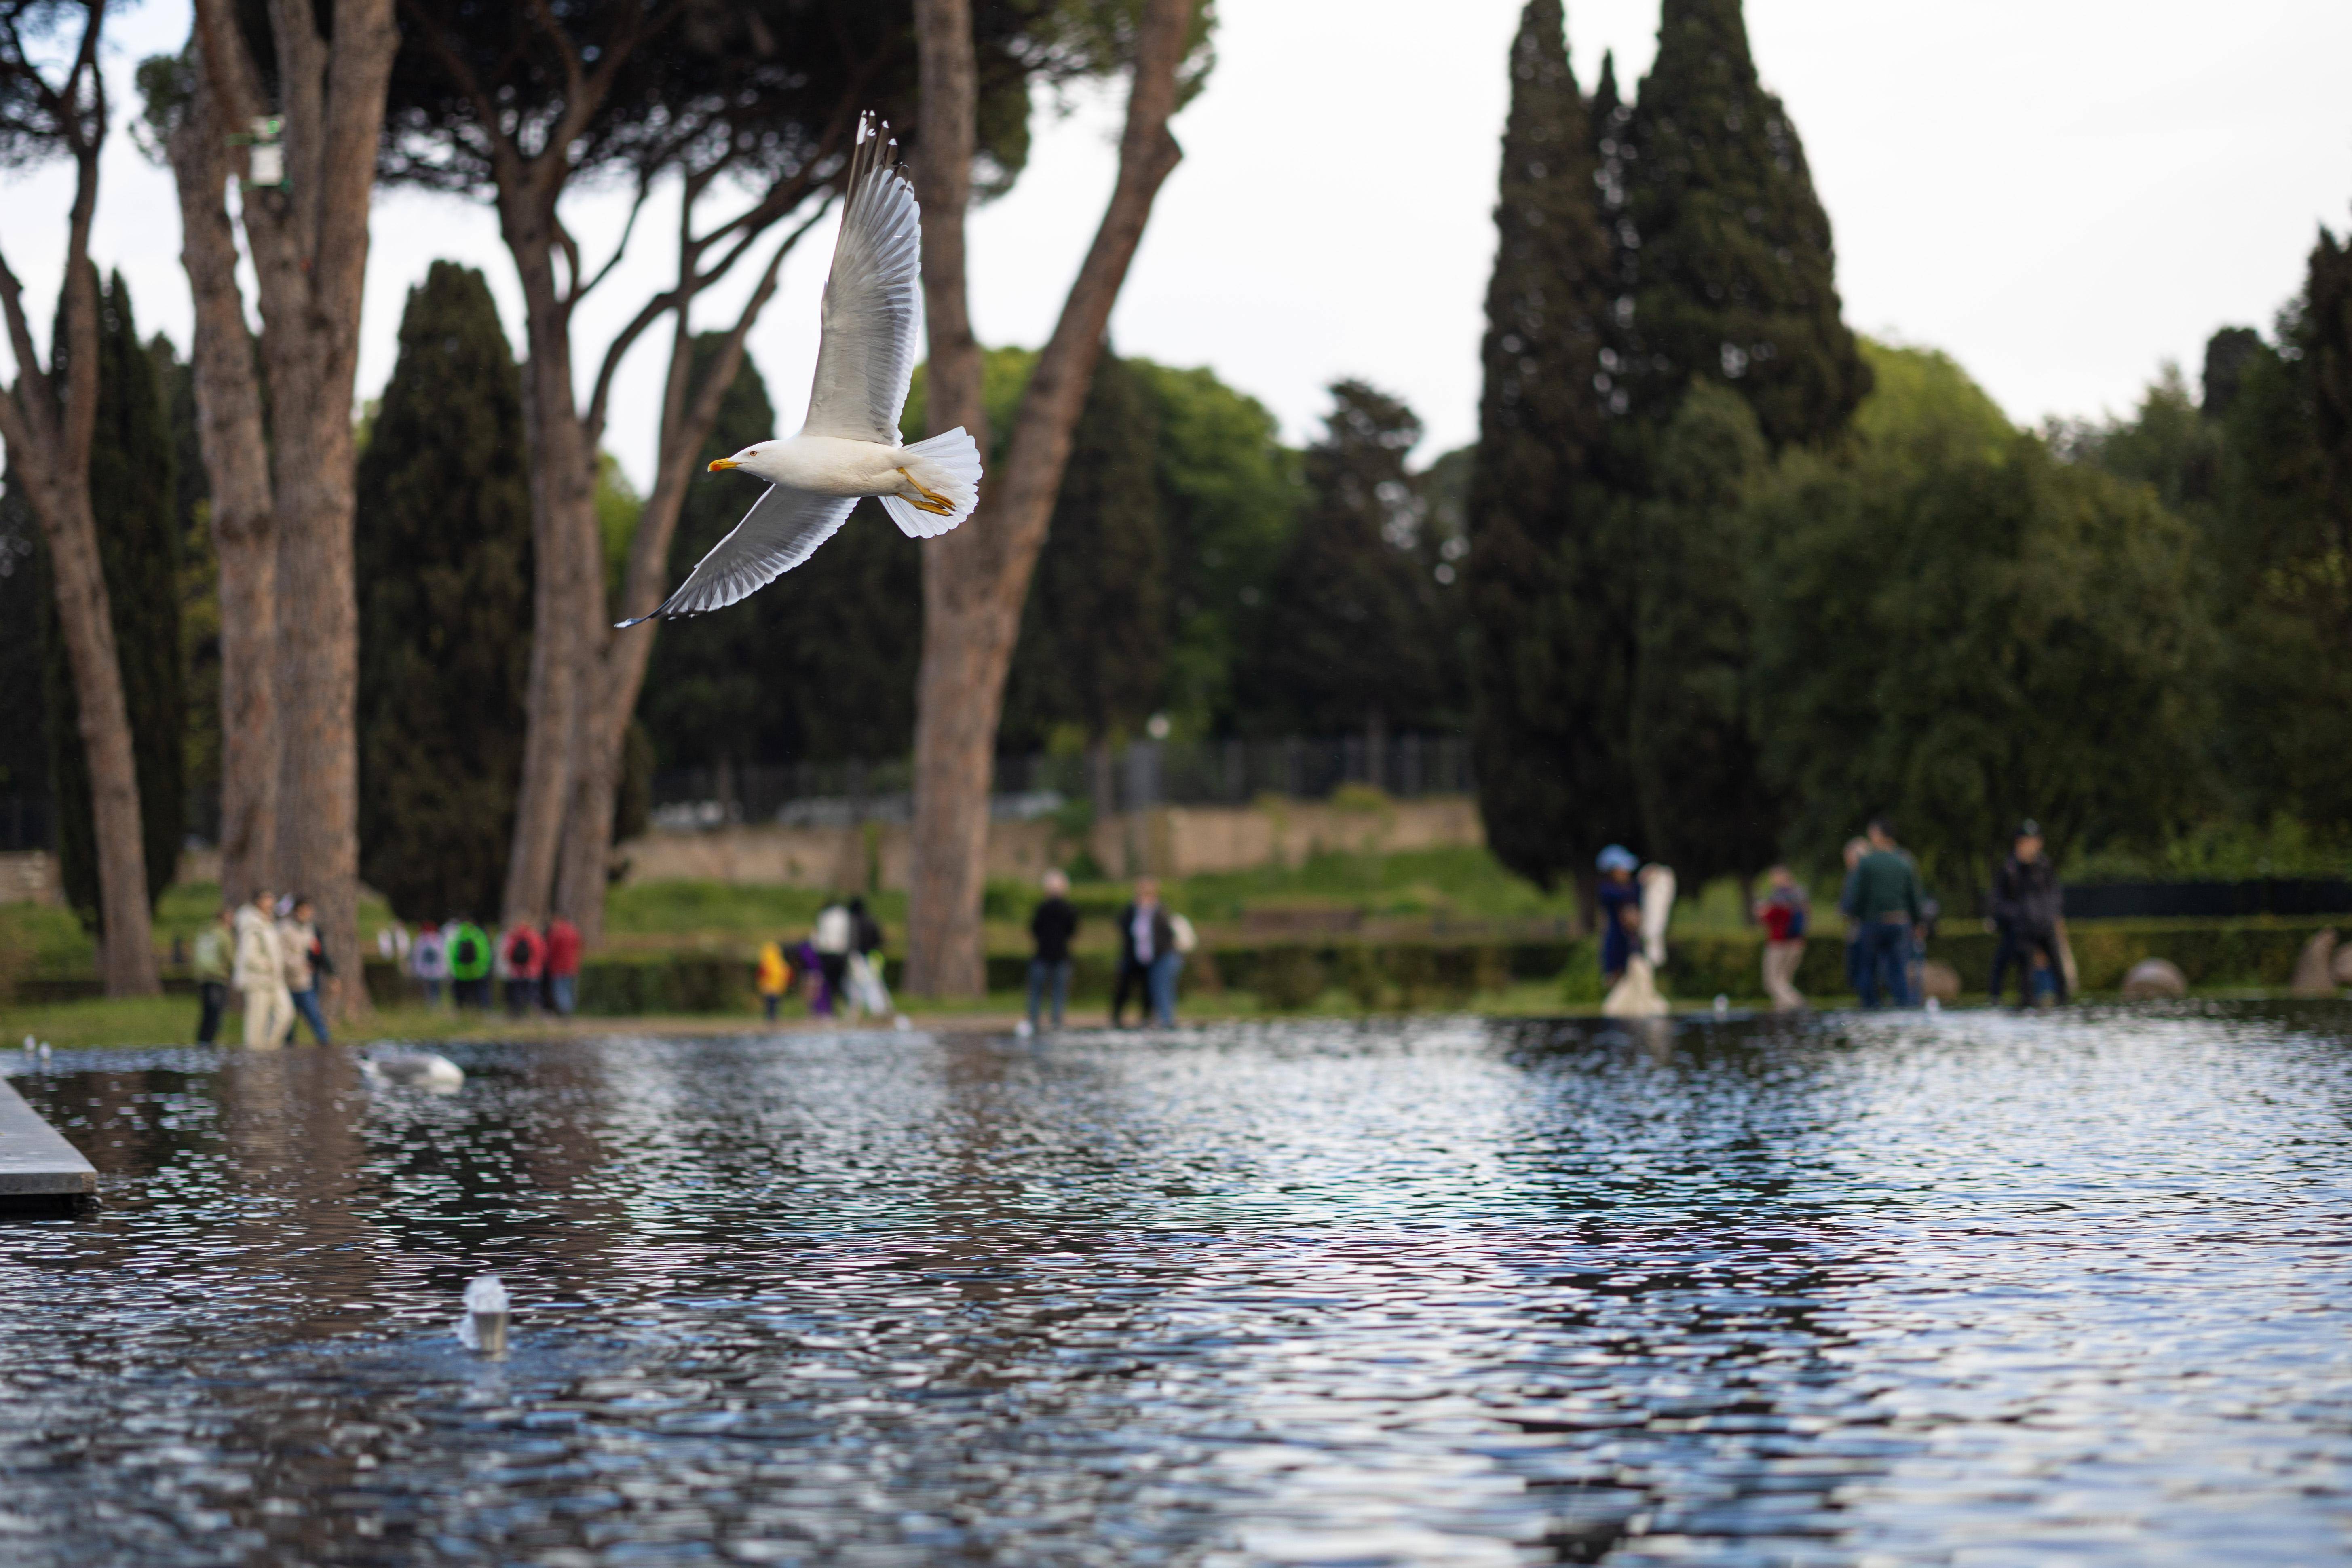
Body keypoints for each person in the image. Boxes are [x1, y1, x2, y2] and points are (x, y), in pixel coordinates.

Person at [1848, 818, 1926, 1007]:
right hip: (1900, 922)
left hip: (1873, 923)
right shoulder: (1905, 863)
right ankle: (1903, 1006)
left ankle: (1871, 1007)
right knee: (1899, 970)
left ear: (1877, 835)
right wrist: (1918, 923)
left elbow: (1857, 897)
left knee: (1868, 968)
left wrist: (1855, 916)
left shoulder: (1867, 863)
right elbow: (1914, 898)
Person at [1989, 819, 2067, 1006]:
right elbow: (1997, 902)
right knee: (2020, 975)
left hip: (2044, 927)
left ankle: (2062, 1006)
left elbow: (2055, 895)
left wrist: (2049, 916)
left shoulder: (2044, 867)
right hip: (2020, 931)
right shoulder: (2009, 869)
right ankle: (2002, 1003)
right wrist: (2017, 918)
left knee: (2059, 974)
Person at [1112, 877, 1174, 1028]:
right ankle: (1117, 1016)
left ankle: (1148, 1017)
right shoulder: (1132, 910)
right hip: (1133, 957)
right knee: (1124, 987)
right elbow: (1122, 925)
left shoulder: (1160, 911)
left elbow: (1167, 933)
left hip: (1154, 957)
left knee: (1150, 990)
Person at [234, 888, 291, 1048]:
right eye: (267, 899)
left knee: (286, 1014)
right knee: (257, 1024)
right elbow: (248, 956)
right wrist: (267, 966)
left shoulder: (269, 921)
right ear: (258, 902)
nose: (271, 903)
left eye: (272, 898)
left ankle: (270, 1049)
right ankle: (255, 1059)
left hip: (275, 979)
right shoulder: (252, 923)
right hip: (258, 981)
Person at [1027, 870, 1078, 1032]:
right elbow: (1072, 931)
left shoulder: (1042, 908)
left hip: (1043, 955)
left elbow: (1035, 929)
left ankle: (1034, 1020)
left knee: (1037, 992)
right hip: (1061, 955)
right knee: (1058, 992)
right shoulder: (1069, 909)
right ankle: (1056, 1021)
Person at [1755, 865, 1809, 1011]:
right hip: (1795, 941)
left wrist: (1763, 912)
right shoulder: (1800, 894)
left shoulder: (1780, 897)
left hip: (1780, 942)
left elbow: (1772, 918)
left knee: (1774, 982)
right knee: (1784, 981)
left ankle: (1797, 1004)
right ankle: (1783, 1010)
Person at [279, 895, 332, 1045]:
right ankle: (287, 1048)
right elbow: (282, 955)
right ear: (296, 911)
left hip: (305, 982)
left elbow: (319, 953)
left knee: (315, 1016)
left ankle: (325, 1045)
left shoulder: (311, 929)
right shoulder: (285, 929)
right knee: (287, 1020)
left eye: (309, 911)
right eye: (303, 911)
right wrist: (299, 965)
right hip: (287, 982)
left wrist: (330, 973)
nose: (307, 914)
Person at [1595, 845, 1641, 984]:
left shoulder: (1630, 889)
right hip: (1615, 944)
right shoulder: (1608, 890)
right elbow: (1626, 895)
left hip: (1630, 944)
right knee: (1616, 981)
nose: (1627, 873)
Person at [192, 906, 233, 1045]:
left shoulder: (205, 932)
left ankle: (202, 1042)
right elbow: (229, 957)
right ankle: (209, 1043)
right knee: (216, 1013)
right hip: (218, 977)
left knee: (207, 1012)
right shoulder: (223, 934)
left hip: (203, 977)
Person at [811, 898, 854, 1018]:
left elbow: (820, 937)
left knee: (828, 983)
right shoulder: (844, 915)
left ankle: (828, 1010)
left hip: (827, 953)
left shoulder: (824, 916)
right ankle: (845, 1009)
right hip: (841, 953)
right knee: (840, 983)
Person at [502, 920, 545, 1015]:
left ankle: (517, 1011)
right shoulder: (535, 937)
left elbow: (508, 953)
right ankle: (534, 1011)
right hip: (533, 970)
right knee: (534, 992)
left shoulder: (515, 937)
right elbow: (541, 953)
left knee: (518, 991)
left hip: (517, 970)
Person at [446, 918, 492, 1008]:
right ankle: (483, 1011)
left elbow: (450, 954)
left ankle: (461, 1013)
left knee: (460, 996)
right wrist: (484, 968)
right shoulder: (479, 934)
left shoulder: (455, 935)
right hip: (477, 972)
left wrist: (454, 969)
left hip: (460, 973)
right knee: (480, 994)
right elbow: (486, 953)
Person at [543, 915, 582, 1015]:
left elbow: (550, 951)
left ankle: (564, 1011)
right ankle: (569, 1009)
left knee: (560, 990)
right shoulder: (574, 932)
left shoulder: (556, 934)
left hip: (558, 967)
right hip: (572, 966)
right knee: (569, 989)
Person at [411, 921, 449, 1005]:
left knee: (433, 990)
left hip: (429, 971)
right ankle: (433, 1005)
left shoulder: (421, 940)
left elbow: (416, 955)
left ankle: (434, 1005)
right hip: (432, 971)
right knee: (432, 990)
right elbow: (444, 955)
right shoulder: (437, 939)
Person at [756, 939, 792, 1022]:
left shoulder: (767, 963)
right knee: (773, 1003)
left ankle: (771, 1017)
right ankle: (772, 1017)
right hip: (777, 987)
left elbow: (760, 975)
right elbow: (787, 974)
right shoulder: (780, 962)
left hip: (769, 987)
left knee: (770, 1003)